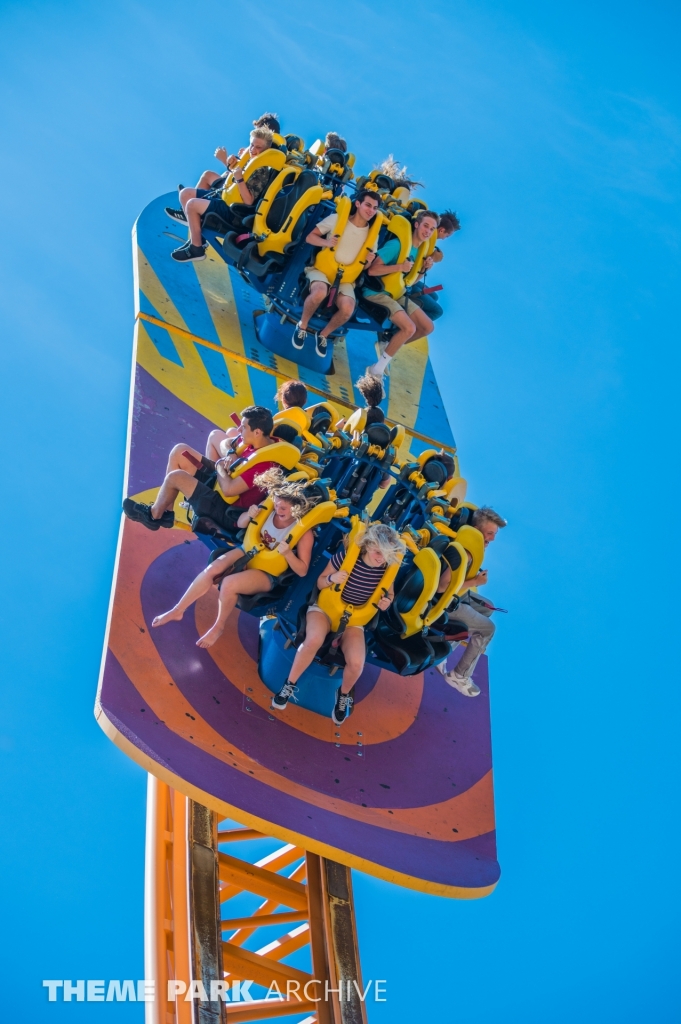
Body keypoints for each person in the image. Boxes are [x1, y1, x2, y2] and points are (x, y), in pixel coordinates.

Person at [151, 468, 317, 648]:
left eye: (283, 508)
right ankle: (178, 610)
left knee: (229, 584)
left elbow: (302, 570)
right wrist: (249, 515)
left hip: (267, 572)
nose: (278, 510)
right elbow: (240, 524)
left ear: (297, 507)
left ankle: (218, 626)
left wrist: (288, 554)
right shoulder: (269, 510)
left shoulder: (304, 533)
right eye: (276, 505)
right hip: (247, 551)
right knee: (211, 570)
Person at [271, 523, 406, 724]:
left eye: (386, 554)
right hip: (325, 610)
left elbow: (390, 594)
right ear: (368, 546)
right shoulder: (347, 557)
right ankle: (289, 684)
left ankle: (342, 695)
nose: (381, 558)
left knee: (357, 662)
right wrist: (333, 578)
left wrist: (386, 602)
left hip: (354, 621)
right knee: (313, 641)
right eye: (378, 552)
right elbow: (320, 581)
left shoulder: (386, 569)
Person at [122, 406, 279, 534]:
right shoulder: (263, 441)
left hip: (227, 510)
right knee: (179, 451)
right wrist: (231, 453)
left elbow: (229, 490)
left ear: (257, 432)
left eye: (243, 427)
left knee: (175, 478)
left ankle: (153, 516)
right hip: (222, 480)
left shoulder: (265, 465)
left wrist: (219, 465)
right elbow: (228, 443)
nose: (239, 429)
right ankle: (167, 513)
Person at [293, 190, 381, 358]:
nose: (371, 210)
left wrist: (369, 260)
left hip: (346, 278)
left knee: (348, 308)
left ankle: (323, 335)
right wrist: (326, 242)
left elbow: (365, 267)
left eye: (375, 208)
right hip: (322, 270)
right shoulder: (336, 219)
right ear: (358, 204)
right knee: (319, 292)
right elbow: (310, 238)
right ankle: (302, 326)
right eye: (368, 205)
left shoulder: (372, 235)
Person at [170, 127, 275, 263]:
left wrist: (239, 178)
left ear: (266, 150)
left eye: (258, 147)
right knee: (185, 194)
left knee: (192, 205)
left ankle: (196, 249)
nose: (253, 150)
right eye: (251, 145)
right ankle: (196, 232)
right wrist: (232, 165)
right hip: (223, 197)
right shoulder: (248, 160)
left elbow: (248, 201)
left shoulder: (262, 171)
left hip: (234, 210)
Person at [437, 506, 507, 696]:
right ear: (476, 529)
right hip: (444, 603)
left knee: (487, 608)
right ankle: (459, 676)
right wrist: (475, 581)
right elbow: (442, 587)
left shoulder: (466, 544)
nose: (491, 539)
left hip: (455, 595)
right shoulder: (465, 554)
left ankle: (444, 649)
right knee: (488, 629)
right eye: (490, 533)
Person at [363, 209, 439, 378]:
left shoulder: (419, 251)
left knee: (427, 327)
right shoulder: (398, 244)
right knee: (409, 328)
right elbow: (373, 270)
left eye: (432, 229)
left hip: (398, 293)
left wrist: (424, 269)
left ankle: (387, 344)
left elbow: (411, 280)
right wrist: (399, 267)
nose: (427, 231)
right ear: (417, 225)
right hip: (377, 291)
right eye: (425, 226)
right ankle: (376, 371)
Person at [165, 114, 281, 224]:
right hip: (234, 184)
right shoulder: (257, 151)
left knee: (212, 175)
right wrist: (235, 160)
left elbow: (242, 174)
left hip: (236, 192)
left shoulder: (266, 155)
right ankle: (188, 206)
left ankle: (193, 209)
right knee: (208, 175)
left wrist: (225, 160)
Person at [204, 381, 307, 462]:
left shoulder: (277, 422)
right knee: (231, 431)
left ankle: (214, 472)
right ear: (305, 401)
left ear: (283, 400)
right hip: (275, 453)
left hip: (251, 454)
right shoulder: (306, 422)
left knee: (214, 435)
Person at [407, 210, 461, 321]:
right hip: (409, 279)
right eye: (447, 236)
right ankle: (399, 329)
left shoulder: (426, 239)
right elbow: (427, 262)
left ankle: (411, 310)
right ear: (441, 230)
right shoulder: (426, 243)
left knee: (435, 296)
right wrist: (432, 260)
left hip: (412, 277)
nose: (445, 238)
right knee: (437, 311)